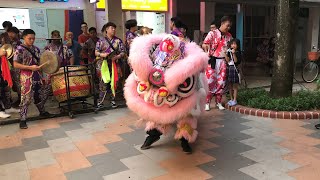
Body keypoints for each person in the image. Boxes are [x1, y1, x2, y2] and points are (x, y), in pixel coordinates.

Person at [124, 34, 208, 154]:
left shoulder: (187, 55)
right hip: (159, 83)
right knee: (156, 111)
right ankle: (154, 133)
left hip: (179, 88)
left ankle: (185, 138)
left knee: (187, 115)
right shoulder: (159, 52)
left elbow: (197, 75)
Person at [13, 29, 52, 129]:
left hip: (37, 75)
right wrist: (30, 68)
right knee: (26, 98)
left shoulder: (36, 49)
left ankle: (42, 112)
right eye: (29, 38)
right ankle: (22, 120)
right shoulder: (19, 49)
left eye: (33, 38)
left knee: (39, 94)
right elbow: (15, 64)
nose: (32, 40)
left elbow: (39, 63)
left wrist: (43, 73)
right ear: (24, 37)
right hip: (26, 77)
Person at [202, 16, 233, 111]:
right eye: (227, 26)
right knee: (210, 82)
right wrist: (206, 47)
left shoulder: (229, 36)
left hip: (223, 61)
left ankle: (218, 102)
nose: (228, 28)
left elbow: (230, 48)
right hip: (212, 60)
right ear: (222, 23)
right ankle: (207, 102)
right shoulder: (212, 33)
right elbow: (204, 44)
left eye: (230, 26)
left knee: (221, 82)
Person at [95, 22, 126, 108]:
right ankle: (101, 101)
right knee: (103, 82)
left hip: (114, 64)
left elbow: (123, 52)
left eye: (114, 28)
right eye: (112, 28)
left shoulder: (118, 41)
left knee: (115, 82)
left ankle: (113, 100)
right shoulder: (101, 41)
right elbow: (96, 52)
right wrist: (102, 55)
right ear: (106, 29)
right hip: (103, 64)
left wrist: (118, 56)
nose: (114, 30)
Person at [7, 27, 22, 107]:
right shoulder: (10, 42)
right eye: (9, 32)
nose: (10, 34)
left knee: (18, 83)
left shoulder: (18, 43)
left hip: (17, 66)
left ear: (16, 34)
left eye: (12, 33)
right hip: (12, 66)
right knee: (15, 84)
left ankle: (21, 99)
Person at [226, 39, 242, 106]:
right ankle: (231, 99)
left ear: (238, 45)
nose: (233, 45)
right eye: (232, 44)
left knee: (235, 86)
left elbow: (236, 61)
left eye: (235, 44)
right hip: (230, 69)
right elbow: (228, 61)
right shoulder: (229, 52)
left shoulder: (238, 52)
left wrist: (234, 53)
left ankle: (235, 100)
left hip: (235, 69)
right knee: (229, 86)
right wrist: (225, 53)